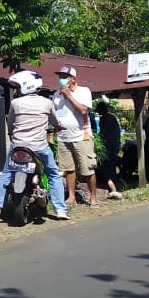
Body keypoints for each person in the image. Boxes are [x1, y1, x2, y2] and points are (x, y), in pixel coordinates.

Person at [0, 71, 68, 221]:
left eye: (18, 87)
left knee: (7, 172)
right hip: (39, 147)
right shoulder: (47, 102)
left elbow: (10, 123)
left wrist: (12, 133)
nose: (16, 90)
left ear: (26, 86)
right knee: (53, 174)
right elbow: (55, 121)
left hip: (18, 147)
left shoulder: (15, 103)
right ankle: (60, 210)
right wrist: (59, 126)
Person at [51, 64, 97, 208]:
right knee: (68, 169)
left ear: (73, 78)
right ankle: (71, 197)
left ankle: (93, 198)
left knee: (87, 169)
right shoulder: (56, 95)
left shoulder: (83, 91)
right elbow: (55, 114)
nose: (61, 79)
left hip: (81, 136)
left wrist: (69, 95)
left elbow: (84, 111)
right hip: (64, 137)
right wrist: (53, 132)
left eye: (65, 77)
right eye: (60, 76)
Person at [94, 100, 124, 200]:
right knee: (112, 165)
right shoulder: (112, 117)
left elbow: (104, 133)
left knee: (107, 166)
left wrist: (97, 139)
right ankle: (115, 184)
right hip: (114, 144)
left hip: (108, 145)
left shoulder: (104, 119)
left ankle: (112, 187)